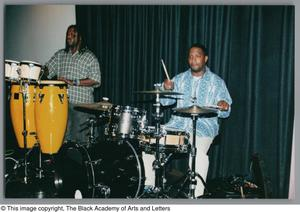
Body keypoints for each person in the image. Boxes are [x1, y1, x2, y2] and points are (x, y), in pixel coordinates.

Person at [143, 43, 232, 198]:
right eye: (190, 56)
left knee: (198, 154)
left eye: (197, 56)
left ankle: (197, 196)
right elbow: (164, 102)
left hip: (204, 126)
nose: (193, 60)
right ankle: (150, 187)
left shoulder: (217, 82)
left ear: (205, 59)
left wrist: (224, 105)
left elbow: (226, 109)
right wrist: (166, 88)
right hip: (177, 124)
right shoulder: (180, 79)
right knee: (150, 145)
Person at [44, 24, 101, 144]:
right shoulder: (60, 55)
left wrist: (73, 82)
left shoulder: (89, 57)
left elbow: (96, 80)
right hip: (62, 104)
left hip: (82, 106)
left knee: (82, 143)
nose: (68, 36)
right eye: (67, 34)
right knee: (63, 141)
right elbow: (47, 71)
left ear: (79, 37)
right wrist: (40, 70)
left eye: (72, 34)